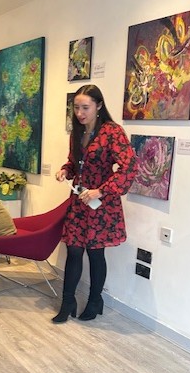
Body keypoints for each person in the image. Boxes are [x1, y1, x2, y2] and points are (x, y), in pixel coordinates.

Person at [53, 84, 137, 323]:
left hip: (101, 203)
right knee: (73, 251)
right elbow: (74, 162)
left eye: (85, 108)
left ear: (99, 106)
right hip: (79, 201)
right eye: (76, 107)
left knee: (95, 253)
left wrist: (101, 191)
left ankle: (94, 300)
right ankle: (67, 301)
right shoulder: (77, 132)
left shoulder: (112, 132)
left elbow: (129, 167)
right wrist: (65, 170)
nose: (80, 113)